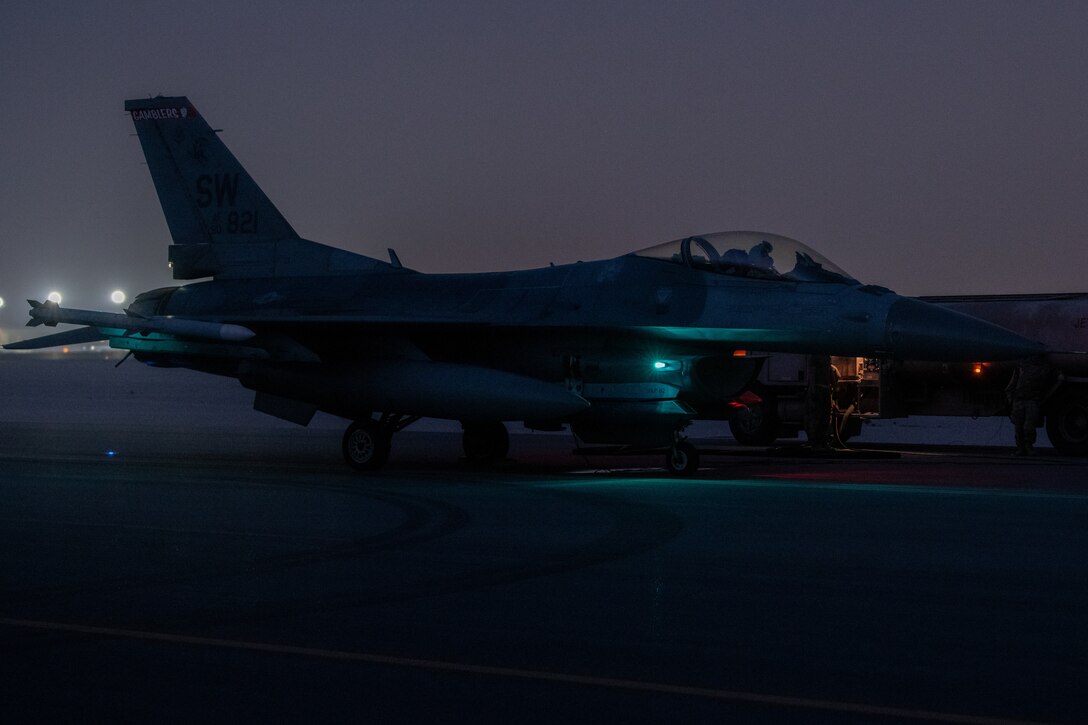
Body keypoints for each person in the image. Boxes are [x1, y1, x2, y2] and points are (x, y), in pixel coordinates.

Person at [1005, 354, 1058, 455]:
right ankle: (1021, 448)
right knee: (1019, 427)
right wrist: (1011, 399)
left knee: (1028, 427)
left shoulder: (1041, 367)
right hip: (1020, 400)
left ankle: (1028, 446)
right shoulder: (1022, 366)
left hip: (1031, 400)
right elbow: (1013, 383)